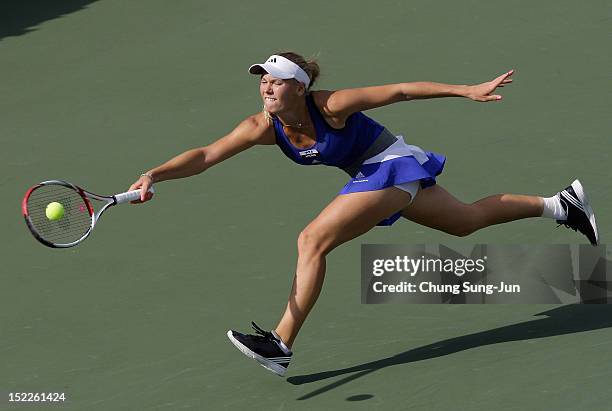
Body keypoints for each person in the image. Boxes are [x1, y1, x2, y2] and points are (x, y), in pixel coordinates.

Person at [128, 52, 599, 377]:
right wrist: (154, 174)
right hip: (382, 172)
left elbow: (397, 91)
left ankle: (280, 344)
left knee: (312, 240)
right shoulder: (261, 127)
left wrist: (466, 90)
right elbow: (207, 155)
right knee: (466, 221)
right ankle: (561, 205)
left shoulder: (330, 105)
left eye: (276, 80)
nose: (265, 86)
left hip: (389, 166)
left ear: (301, 86)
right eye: (262, 79)